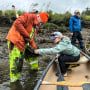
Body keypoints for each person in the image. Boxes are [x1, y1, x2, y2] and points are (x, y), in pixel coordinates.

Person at [6, 12, 49, 83]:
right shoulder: (27, 16)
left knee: (33, 55)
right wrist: (27, 36)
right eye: (41, 22)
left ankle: (34, 70)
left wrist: (35, 48)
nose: (40, 24)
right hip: (15, 41)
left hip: (25, 42)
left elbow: (31, 38)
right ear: (38, 17)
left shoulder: (36, 25)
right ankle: (15, 82)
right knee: (17, 61)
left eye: (42, 24)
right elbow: (17, 23)